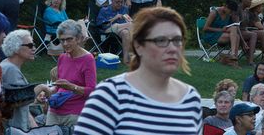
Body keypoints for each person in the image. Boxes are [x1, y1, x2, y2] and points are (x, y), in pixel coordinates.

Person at [74, 7, 202, 134]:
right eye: (161, 40)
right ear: (138, 46)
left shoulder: (190, 98)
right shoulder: (110, 95)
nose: (172, 48)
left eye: (177, 40)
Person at [47, 20, 96, 127]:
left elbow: (91, 90)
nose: (65, 44)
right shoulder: (62, 57)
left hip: (75, 112)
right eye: (62, 40)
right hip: (55, 109)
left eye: (69, 39)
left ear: (78, 39)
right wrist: (48, 91)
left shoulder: (88, 59)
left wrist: (71, 87)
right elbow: (59, 87)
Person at [1, 29, 38, 131]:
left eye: (34, 45)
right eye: (30, 46)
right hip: (13, 128)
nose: (34, 48)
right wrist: (42, 88)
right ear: (16, 49)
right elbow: (20, 99)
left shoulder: (7, 65)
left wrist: (33, 124)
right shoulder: (10, 69)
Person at [96, 0, 133, 64]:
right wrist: (114, 18)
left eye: (121, 2)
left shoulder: (125, 9)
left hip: (122, 29)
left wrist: (128, 19)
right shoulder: (104, 10)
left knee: (125, 33)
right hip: (108, 29)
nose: (120, 4)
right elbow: (101, 24)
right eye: (117, 2)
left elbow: (127, 20)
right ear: (112, 1)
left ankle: (126, 59)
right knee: (130, 25)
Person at [203, 0, 241, 64]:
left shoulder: (228, 14)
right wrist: (220, 30)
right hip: (211, 35)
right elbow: (205, 28)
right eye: (230, 11)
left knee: (235, 31)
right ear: (225, 6)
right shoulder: (214, 13)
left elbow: (230, 26)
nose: (231, 13)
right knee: (236, 36)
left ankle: (233, 57)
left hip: (221, 34)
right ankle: (233, 58)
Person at [231, 0, 260, 66]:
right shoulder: (237, 9)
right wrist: (243, 42)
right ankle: (250, 60)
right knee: (253, 35)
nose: (251, 1)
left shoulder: (246, 10)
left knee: (255, 34)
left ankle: (251, 59)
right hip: (235, 32)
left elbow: (247, 25)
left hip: (244, 31)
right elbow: (236, 26)